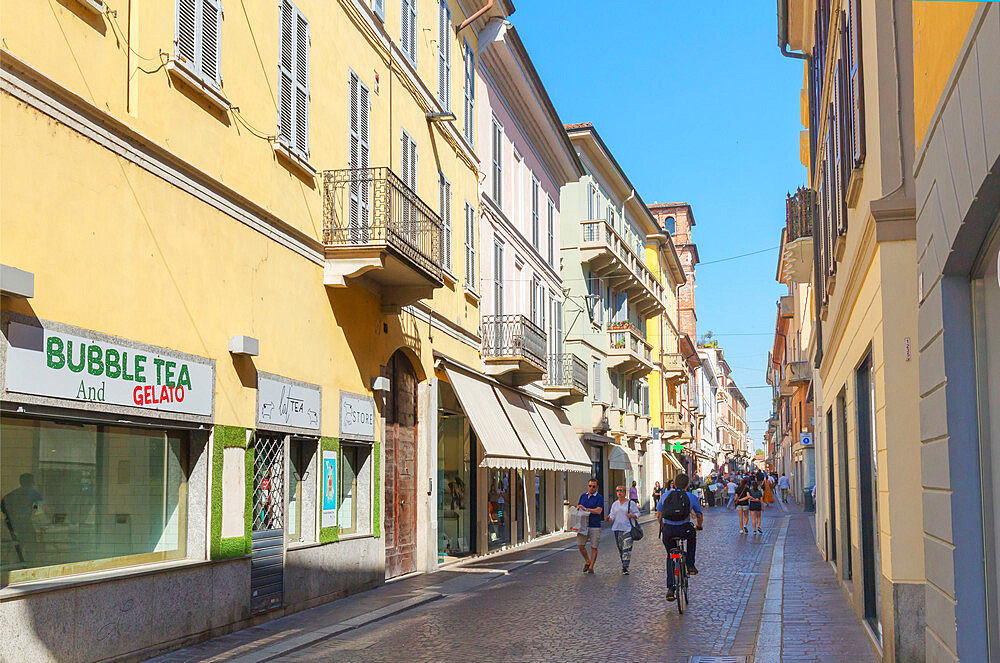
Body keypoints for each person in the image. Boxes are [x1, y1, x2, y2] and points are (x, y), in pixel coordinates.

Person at [657, 473, 704, 602]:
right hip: (684, 529)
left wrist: (663, 527)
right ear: (687, 485)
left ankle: (671, 589)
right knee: (692, 537)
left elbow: (659, 515)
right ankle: (690, 565)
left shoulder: (665, 496)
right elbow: (699, 515)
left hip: (668, 531)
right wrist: (699, 526)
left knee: (670, 555)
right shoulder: (691, 497)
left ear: (674, 484)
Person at [1, 473, 45, 563]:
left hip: (12, 524)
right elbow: (39, 508)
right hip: (25, 523)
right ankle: (30, 563)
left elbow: (3, 506)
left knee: (18, 544)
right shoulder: (33, 493)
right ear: (32, 482)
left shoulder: (11, 494)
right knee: (31, 544)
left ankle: (16, 562)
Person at [607, 485, 641, 574]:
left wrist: (632, 516)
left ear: (625, 492)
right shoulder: (615, 504)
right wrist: (609, 518)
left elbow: (637, 514)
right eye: (617, 490)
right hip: (617, 529)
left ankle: (625, 567)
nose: (619, 492)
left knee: (627, 548)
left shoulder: (631, 503)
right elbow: (612, 515)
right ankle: (624, 564)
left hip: (628, 528)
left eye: (621, 490)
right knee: (621, 548)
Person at [576, 479, 604, 573]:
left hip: (595, 525)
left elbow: (599, 510)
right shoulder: (583, 496)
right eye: (590, 486)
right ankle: (588, 561)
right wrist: (578, 508)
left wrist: (587, 509)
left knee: (594, 547)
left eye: (593, 486)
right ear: (587, 486)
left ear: (597, 487)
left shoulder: (599, 498)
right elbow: (579, 507)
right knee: (580, 545)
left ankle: (591, 567)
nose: (591, 488)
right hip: (583, 525)